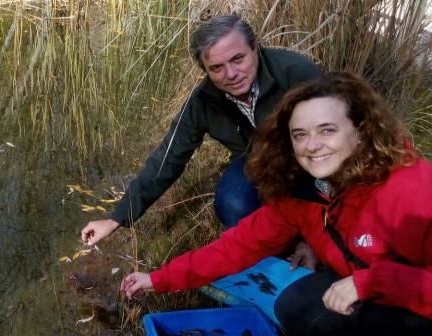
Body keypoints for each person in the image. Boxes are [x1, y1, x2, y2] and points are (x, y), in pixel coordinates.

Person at [120, 72, 432, 336]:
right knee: (293, 305)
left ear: (361, 131)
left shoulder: (412, 189)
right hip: (375, 289)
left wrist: (371, 281)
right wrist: (157, 279)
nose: (311, 145)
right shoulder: (306, 194)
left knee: (387, 322)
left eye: (327, 130)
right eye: (300, 134)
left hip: (417, 305)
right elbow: (234, 249)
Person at [80, 14, 321, 252]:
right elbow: (168, 158)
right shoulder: (202, 102)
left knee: (320, 194)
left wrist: (311, 237)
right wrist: (117, 218)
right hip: (257, 161)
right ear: (205, 69)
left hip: (311, 163)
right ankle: (273, 248)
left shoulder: (296, 74)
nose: (231, 74)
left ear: (255, 48)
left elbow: (337, 145)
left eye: (237, 59)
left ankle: (310, 239)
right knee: (232, 203)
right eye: (216, 68)